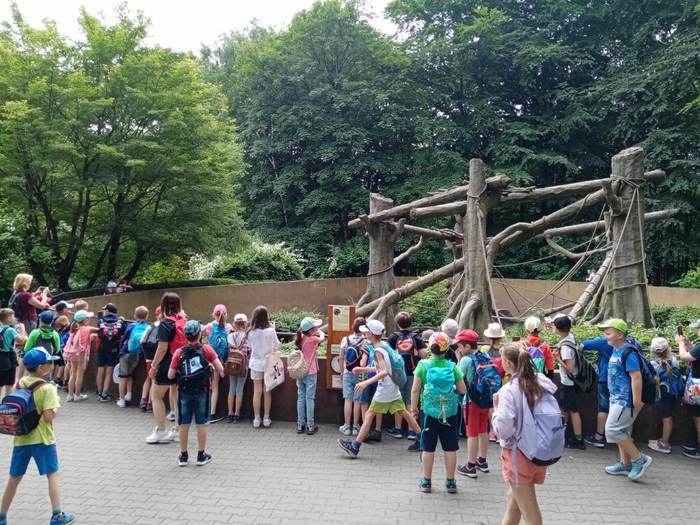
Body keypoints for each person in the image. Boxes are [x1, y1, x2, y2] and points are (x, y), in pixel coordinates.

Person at [0, 348, 75, 525]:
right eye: (49, 362)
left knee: (14, 478)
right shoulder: (47, 388)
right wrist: (55, 405)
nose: (52, 364)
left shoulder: (20, 383)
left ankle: (2, 515)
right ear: (42, 367)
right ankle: (57, 515)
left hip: (21, 438)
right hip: (43, 440)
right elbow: (48, 417)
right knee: (53, 475)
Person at [492, 344, 558, 525]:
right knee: (513, 502)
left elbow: (504, 429)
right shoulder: (540, 382)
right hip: (539, 450)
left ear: (507, 363)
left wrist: (496, 411)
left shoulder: (509, 390)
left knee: (530, 512)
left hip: (518, 453)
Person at [337, 319, 421, 458]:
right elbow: (383, 368)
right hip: (392, 386)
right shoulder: (384, 345)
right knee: (404, 413)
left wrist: (365, 383)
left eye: (366, 332)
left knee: (369, 415)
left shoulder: (378, 350)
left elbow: (384, 371)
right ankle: (422, 439)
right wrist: (362, 369)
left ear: (371, 334)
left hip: (385, 389)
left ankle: (355, 447)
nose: (365, 334)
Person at [410, 331, 466, 493]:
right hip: (450, 413)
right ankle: (450, 482)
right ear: (447, 349)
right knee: (450, 448)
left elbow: (415, 390)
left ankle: (426, 482)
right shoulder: (452, 367)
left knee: (428, 447)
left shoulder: (423, 365)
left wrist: (414, 410)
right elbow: (462, 390)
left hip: (429, 412)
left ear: (429, 347)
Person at [599, 318, 653, 481]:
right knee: (622, 432)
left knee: (612, 430)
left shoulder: (628, 352)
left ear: (620, 335)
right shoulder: (617, 350)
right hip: (617, 399)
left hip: (625, 401)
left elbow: (636, 377)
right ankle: (625, 463)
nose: (605, 336)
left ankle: (640, 459)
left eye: (608, 333)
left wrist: (636, 401)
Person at [168, 320, 224, 467]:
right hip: (202, 391)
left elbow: (170, 375)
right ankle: (201, 455)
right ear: (199, 334)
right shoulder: (207, 349)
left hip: (184, 391)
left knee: (183, 423)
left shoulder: (179, 352)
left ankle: (183, 456)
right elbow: (220, 369)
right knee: (202, 422)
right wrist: (209, 365)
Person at [454, 329, 495, 479]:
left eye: (459, 346)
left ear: (467, 346)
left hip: (471, 401)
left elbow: (457, 378)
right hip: (485, 400)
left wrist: (458, 361)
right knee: (483, 430)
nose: (458, 349)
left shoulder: (466, 360)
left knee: (471, 433)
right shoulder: (485, 355)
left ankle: (470, 466)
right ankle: (482, 461)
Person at [146, 292, 187, 444]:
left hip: (166, 364)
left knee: (156, 396)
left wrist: (154, 366)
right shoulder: (185, 321)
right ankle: (177, 430)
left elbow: (162, 348)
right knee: (177, 397)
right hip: (182, 364)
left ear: (163, 305)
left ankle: (161, 431)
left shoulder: (165, 324)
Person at [387, 311, 427, 441]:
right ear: (411, 323)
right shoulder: (416, 337)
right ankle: (411, 431)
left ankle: (398, 429)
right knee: (411, 401)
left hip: (397, 373)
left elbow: (388, 355)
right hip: (413, 372)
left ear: (397, 323)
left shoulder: (393, 337)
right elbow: (424, 355)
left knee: (398, 400)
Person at [552, 314, 585, 450]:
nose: (552, 328)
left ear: (558, 328)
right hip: (573, 382)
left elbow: (569, 368)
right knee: (566, 409)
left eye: (554, 325)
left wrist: (557, 358)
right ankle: (564, 435)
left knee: (573, 410)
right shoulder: (571, 337)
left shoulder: (565, 347)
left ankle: (578, 440)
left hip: (569, 383)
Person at [647, 337, 683, 454]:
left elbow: (651, 379)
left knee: (667, 419)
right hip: (673, 392)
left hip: (661, 394)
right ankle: (664, 440)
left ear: (652, 350)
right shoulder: (674, 359)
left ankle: (664, 444)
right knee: (668, 417)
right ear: (668, 349)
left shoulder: (652, 363)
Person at [247, 305, 280, 428]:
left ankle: (256, 419)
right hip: (268, 364)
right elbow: (277, 345)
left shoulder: (250, 332)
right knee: (267, 391)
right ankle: (266, 418)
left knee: (257, 392)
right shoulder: (271, 331)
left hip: (255, 364)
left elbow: (250, 347)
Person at [581, 335, 614, 448]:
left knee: (603, 408)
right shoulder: (632, 342)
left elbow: (583, 344)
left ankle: (599, 437)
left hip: (605, 379)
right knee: (625, 407)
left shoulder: (605, 341)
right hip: (625, 380)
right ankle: (626, 438)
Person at [339, 317, 369, 436]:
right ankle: (356, 427)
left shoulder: (345, 339)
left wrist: (342, 371)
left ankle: (347, 426)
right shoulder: (365, 341)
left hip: (347, 372)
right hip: (360, 373)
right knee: (357, 400)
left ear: (353, 327)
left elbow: (341, 357)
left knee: (348, 399)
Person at [294, 317, 324, 435]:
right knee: (309, 398)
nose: (316, 328)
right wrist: (320, 332)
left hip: (300, 372)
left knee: (301, 398)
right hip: (310, 372)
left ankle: (300, 425)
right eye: (315, 327)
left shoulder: (300, 338)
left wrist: (314, 331)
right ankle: (310, 426)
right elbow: (322, 338)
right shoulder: (313, 339)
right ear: (311, 330)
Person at [203, 305, 232, 423]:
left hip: (210, 360)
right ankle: (212, 413)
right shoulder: (228, 327)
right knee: (215, 388)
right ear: (226, 314)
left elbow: (198, 332)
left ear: (213, 314)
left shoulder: (209, 326)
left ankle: (204, 411)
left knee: (209, 387)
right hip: (221, 361)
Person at [117, 306, 150, 408]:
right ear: (147, 316)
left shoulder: (131, 326)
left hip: (126, 352)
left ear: (135, 315)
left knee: (123, 377)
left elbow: (124, 338)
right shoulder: (148, 327)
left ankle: (122, 400)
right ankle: (129, 394)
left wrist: (120, 350)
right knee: (130, 374)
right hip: (138, 354)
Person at [676, 319, 700, 459]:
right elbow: (695, 354)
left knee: (698, 419)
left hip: (698, 388)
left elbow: (685, 357)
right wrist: (688, 344)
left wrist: (680, 344)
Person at [63, 310, 96, 402]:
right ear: (85, 320)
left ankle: (70, 395)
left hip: (72, 353)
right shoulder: (87, 329)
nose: (89, 319)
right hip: (80, 354)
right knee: (79, 374)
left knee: (73, 373)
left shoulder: (74, 328)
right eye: (88, 318)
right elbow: (99, 330)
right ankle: (77, 395)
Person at [95, 303, 125, 402]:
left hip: (101, 348)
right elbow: (123, 332)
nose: (104, 311)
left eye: (105, 310)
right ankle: (104, 394)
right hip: (113, 349)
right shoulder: (120, 321)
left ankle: (99, 393)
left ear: (107, 311)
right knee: (109, 372)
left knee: (100, 370)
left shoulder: (101, 320)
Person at [24, 311, 61, 383]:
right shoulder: (55, 334)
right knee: (44, 382)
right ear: (52, 321)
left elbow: (27, 349)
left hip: (33, 361)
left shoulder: (35, 332)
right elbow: (57, 350)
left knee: (31, 381)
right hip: (47, 362)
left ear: (40, 320)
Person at [226, 313, 250, 422]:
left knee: (231, 389)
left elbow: (228, 351)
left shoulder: (230, 336)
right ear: (245, 324)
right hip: (243, 367)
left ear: (234, 324)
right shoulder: (247, 337)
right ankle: (237, 414)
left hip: (232, 365)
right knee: (239, 390)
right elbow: (249, 352)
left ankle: (229, 413)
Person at [139, 306, 162, 412]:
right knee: (154, 380)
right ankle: (150, 403)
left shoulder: (151, 326)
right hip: (157, 357)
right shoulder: (165, 326)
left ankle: (143, 400)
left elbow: (142, 341)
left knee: (148, 378)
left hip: (148, 357)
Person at [0, 309, 20, 397]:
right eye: (13, 316)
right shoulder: (11, 330)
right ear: (8, 318)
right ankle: (7, 403)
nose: (14, 318)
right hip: (9, 357)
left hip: (1, 356)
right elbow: (21, 340)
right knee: (9, 383)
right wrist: (22, 329)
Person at [52, 316, 70, 390]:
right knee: (62, 364)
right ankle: (58, 379)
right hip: (60, 347)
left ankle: (53, 379)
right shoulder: (63, 330)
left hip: (57, 346)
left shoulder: (57, 328)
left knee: (56, 363)